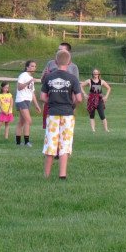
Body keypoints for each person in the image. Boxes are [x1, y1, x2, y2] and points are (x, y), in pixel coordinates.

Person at [40, 49, 82, 179]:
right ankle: (62, 174)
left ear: (56, 61)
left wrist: (51, 102)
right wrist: (72, 105)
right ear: (69, 62)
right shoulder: (72, 78)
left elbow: (42, 97)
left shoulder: (49, 77)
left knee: (51, 143)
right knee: (65, 143)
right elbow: (79, 98)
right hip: (67, 114)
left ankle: (46, 174)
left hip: (53, 113)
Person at [41, 42, 79, 129]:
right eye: (58, 50)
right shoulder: (50, 63)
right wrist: (46, 75)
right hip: (52, 98)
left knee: (65, 128)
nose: (58, 52)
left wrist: (73, 104)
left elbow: (75, 88)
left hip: (66, 100)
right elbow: (43, 81)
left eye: (61, 50)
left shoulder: (73, 67)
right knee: (50, 126)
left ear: (68, 53)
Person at [15, 60, 41, 147]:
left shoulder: (31, 78)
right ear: (27, 67)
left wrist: (37, 105)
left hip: (27, 101)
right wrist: (28, 82)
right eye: (32, 66)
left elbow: (32, 93)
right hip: (21, 100)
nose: (34, 68)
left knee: (21, 122)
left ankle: (18, 142)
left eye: (35, 66)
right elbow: (19, 87)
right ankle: (27, 142)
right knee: (28, 120)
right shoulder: (23, 76)